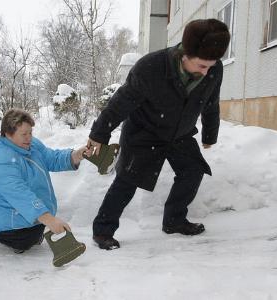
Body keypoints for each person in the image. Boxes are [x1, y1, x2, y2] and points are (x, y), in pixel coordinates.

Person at [87, 19, 231, 250]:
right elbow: (120, 103)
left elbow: (211, 102)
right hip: (144, 133)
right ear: (185, 54)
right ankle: (103, 230)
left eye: (211, 66)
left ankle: (174, 220)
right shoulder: (151, 67)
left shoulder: (214, 69)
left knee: (193, 170)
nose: (207, 72)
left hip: (180, 133)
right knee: (127, 180)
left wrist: (209, 135)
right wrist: (99, 134)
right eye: (202, 66)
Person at [0, 108, 90, 253]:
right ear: (8, 134)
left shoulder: (30, 145)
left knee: (35, 228)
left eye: (30, 133)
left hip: (19, 210)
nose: (29, 138)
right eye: (24, 134)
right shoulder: (0, 161)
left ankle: (29, 232)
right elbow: (20, 194)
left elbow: (51, 158)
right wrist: (49, 219)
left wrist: (77, 155)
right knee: (25, 240)